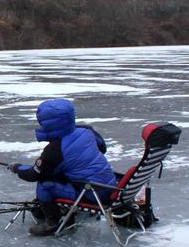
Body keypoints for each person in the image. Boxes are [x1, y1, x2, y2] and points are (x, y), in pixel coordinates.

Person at [7, 98, 117, 236]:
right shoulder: (86, 131)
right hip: (109, 186)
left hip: (92, 194)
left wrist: (17, 168)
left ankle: (52, 223)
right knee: (56, 173)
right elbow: (102, 148)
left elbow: (35, 174)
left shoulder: (55, 150)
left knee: (45, 184)